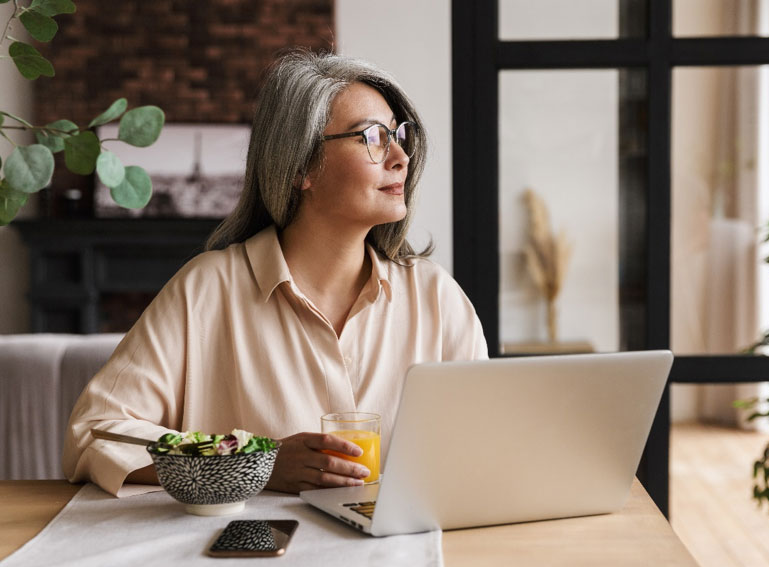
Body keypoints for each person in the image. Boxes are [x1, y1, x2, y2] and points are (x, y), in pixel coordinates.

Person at [63, 49, 488, 496]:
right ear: (301, 165)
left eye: (399, 135)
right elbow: (94, 434)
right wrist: (252, 463)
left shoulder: (435, 295)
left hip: (406, 554)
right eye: (373, 137)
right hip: (252, 559)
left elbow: (493, 440)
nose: (400, 156)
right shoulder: (207, 289)